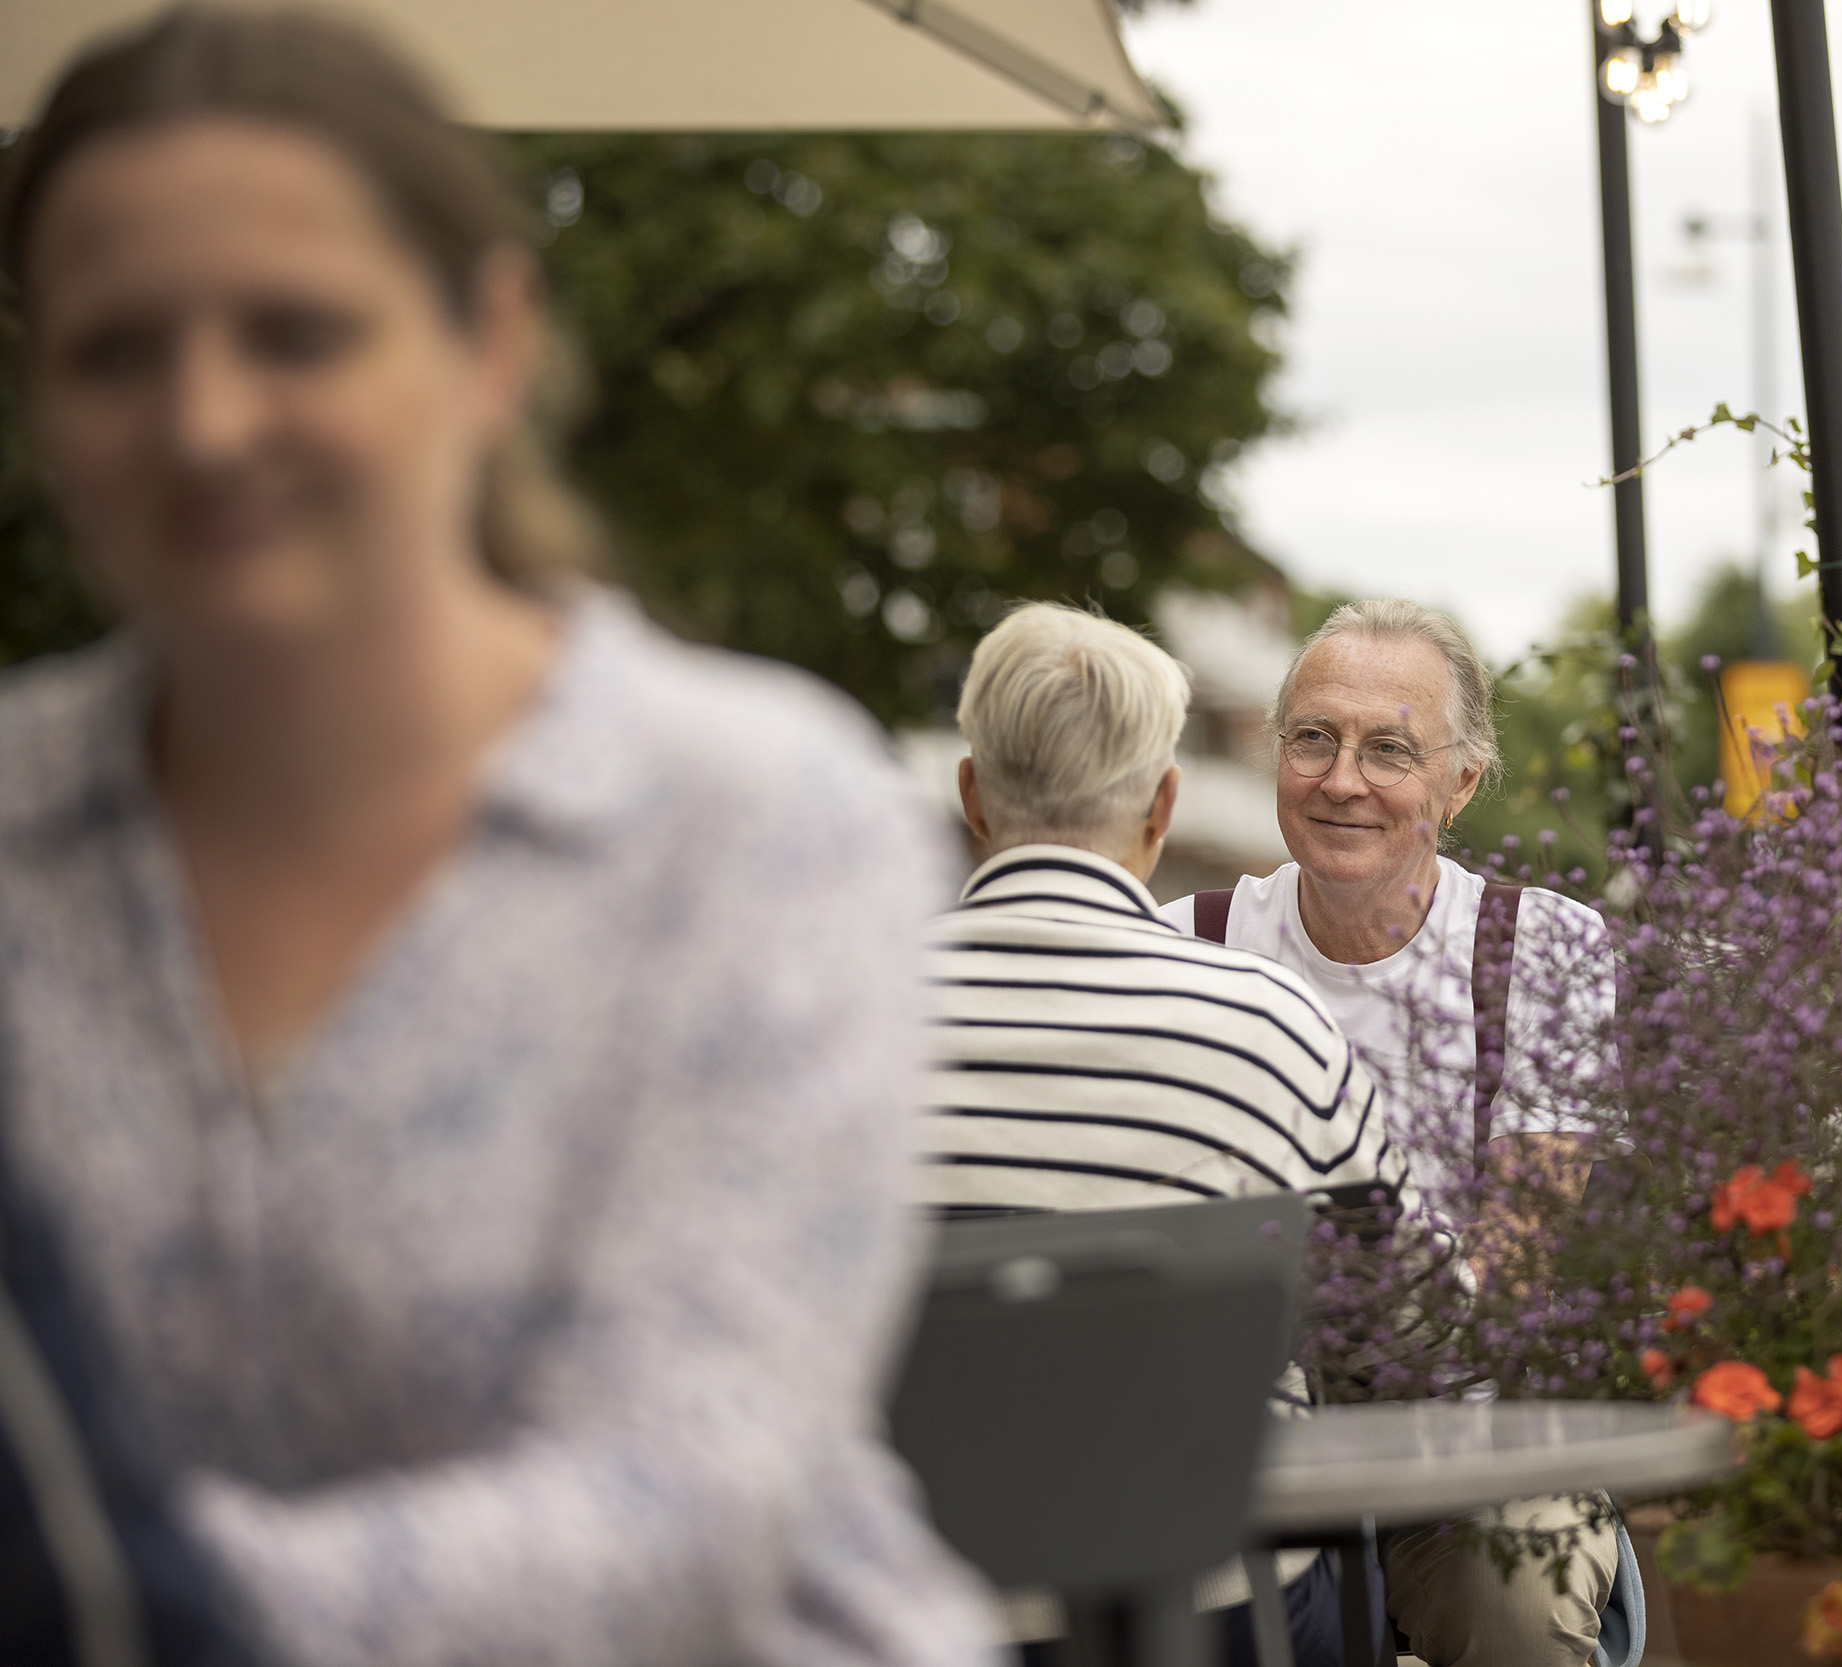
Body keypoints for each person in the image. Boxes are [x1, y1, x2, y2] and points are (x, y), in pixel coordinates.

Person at [0, 9, 989, 1664]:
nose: (205, 422)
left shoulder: (755, 818)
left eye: (296, 334)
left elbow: (679, 1504)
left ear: (488, 343)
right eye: (115, 350)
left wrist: (108, 1598)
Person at [923, 602, 1402, 1663]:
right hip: (1221, 1614)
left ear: (971, 795)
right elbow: (1408, 1331)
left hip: (910, 1608)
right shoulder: (1270, 1022)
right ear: (1162, 804)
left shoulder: (825, 1024)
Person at [1159, 598, 1618, 1667]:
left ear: (1460, 782)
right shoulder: (1192, 943)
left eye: (1389, 749)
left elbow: (1517, 1255)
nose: (1341, 778)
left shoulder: (1536, 947)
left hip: (1464, 1441)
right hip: (1236, 1442)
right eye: (1312, 737)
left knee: (1516, 1594)